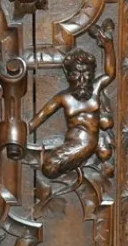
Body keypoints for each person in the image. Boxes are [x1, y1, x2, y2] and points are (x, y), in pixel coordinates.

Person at [29, 20, 115, 179]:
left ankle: (83, 165)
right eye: (76, 74)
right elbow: (42, 115)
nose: (82, 79)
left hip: (89, 143)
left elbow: (110, 74)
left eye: (86, 74)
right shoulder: (64, 97)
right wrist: (25, 131)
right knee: (49, 168)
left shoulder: (95, 88)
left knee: (50, 168)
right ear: (68, 76)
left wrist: (108, 45)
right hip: (72, 143)